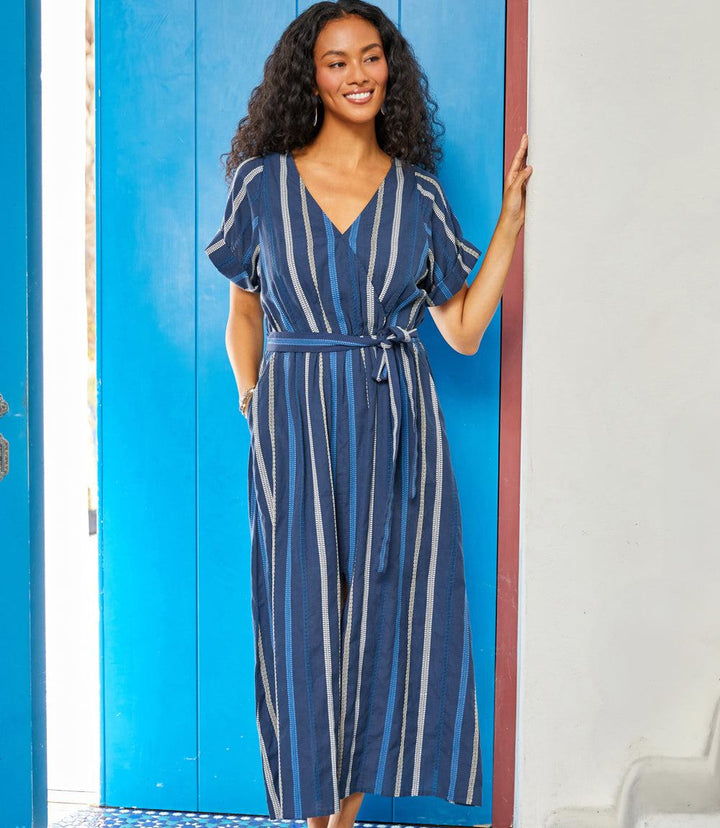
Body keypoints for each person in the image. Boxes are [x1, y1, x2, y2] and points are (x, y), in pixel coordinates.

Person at [204, 1, 531, 825]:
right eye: (337, 60)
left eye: (371, 57)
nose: (358, 75)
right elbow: (246, 313)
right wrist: (252, 398)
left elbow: (458, 332)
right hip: (294, 415)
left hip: (395, 423)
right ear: (308, 76)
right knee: (301, 616)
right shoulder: (264, 182)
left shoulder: (417, 194)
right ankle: (315, 813)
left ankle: (339, 822)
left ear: (392, 69)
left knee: (387, 612)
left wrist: (511, 226)